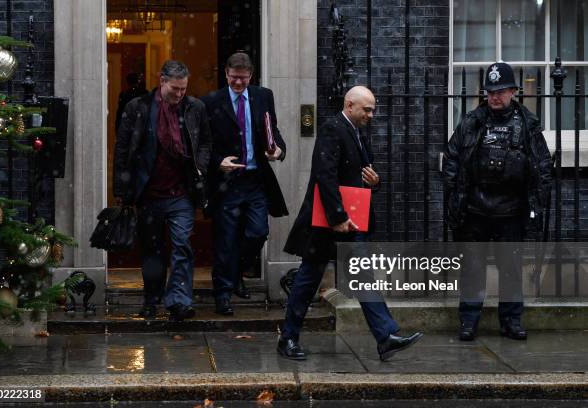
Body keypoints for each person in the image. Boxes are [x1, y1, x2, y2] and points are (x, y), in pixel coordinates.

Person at [279, 86, 423, 361]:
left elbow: (360, 174)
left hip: (348, 221)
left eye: (372, 110)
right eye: (366, 109)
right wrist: (337, 217)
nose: (371, 115)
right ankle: (287, 337)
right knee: (310, 280)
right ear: (349, 105)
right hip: (331, 222)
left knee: (359, 275)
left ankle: (385, 337)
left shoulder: (356, 132)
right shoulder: (333, 129)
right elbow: (325, 174)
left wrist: (376, 182)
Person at [443, 61, 552, 341]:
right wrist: (455, 197)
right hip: (476, 209)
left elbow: (542, 167)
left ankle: (511, 321)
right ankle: (468, 321)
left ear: (513, 91)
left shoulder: (527, 124)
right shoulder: (471, 121)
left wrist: (536, 207)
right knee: (472, 268)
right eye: (491, 91)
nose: (495, 96)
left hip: (511, 210)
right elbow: (452, 159)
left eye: (501, 91)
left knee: (511, 270)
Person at [113, 60, 212, 321]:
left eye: (183, 89)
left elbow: (204, 143)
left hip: (181, 192)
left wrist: (200, 168)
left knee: (182, 244)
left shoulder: (194, 107)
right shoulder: (139, 108)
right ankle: (151, 299)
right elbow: (123, 149)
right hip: (149, 191)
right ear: (162, 81)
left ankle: (179, 301)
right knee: (152, 250)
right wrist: (122, 189)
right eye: (175, 89)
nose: (179, 94)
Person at [201, 52, 288, 315]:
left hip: (255, 179)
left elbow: (273, 130)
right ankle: (223, 294)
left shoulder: (263, 96)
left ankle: (237, 272)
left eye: (243, 78)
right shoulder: (211, 102)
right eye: (234, 78)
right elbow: (203, 143)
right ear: (226, 74)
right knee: (225, 239)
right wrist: (218, 161)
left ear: (251, 75)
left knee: (258, 231)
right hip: (227, 181)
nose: (238, 83)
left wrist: (279, 151)